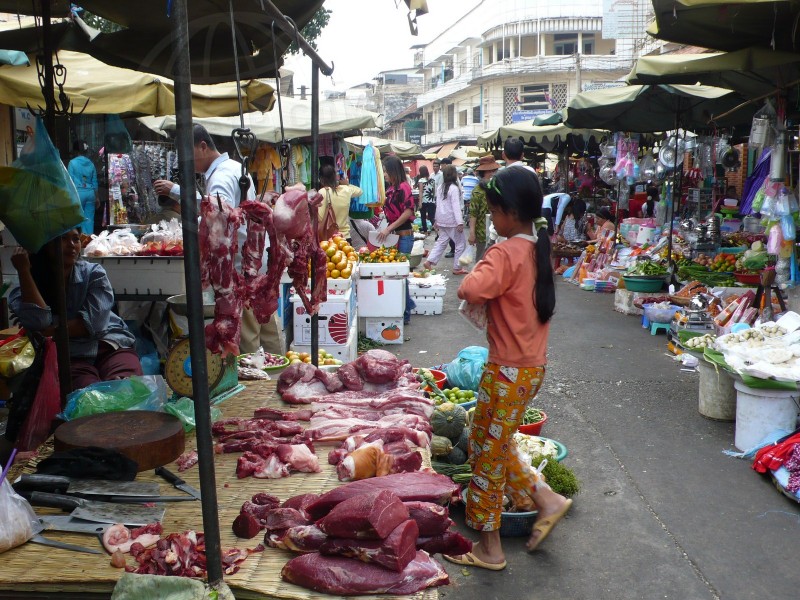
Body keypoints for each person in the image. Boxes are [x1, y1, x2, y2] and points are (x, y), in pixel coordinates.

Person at [445, 167, 572, 571]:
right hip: (529, 369)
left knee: (486, 459)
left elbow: (471, 289)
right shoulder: (537, 248)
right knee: (486, 441)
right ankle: (544, 498)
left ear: (509, 213)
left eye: (494, 211)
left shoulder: (506, 251)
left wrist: (483, 259)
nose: (492, 220)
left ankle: (490, 547)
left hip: (507, 372)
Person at [153, 124, 281, 355]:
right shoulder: (233, 166)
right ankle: (279, 374)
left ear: (202, 147)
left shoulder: (220, 176)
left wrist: (176, 191)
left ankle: (255, 384)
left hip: (242, 265)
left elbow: (217, 212)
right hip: (255, 260)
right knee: (267, 326)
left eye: (187, 155)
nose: (187, 163)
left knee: (248, 334)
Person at [9, 229, 143, 391]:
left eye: (75, 239)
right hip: (71, 356)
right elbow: (40, 321)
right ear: (45, 246)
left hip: (110, 346)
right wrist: (24, 271)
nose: (72, 245)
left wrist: (50, 331)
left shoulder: (93, 273)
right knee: (88, 398)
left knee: (126, 389)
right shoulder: (25, 286)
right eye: (63, 239)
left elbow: (95, 324)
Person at [378, 156, 417, 325]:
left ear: (393, 171)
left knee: (400, 275)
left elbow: (408, 212)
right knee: (398, 274)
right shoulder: (391, 189)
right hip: (394, 236)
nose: (384, 174)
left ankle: (406, 311)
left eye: (386, 171)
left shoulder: (403, 187)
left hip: (405, 236)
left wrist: (388, 227)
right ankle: (407, 306)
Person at [423, 164, 467, 275]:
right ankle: (457, 267)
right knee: (460, 244)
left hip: (442, 219)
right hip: (452, 221)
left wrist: (436, 220)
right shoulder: (454, 188)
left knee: (441, 242)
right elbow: (456, 207)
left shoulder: (440, 187)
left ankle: (429, 261)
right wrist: (460, 222)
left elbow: (438, 205)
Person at [318, 164, 362, 244]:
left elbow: (320, 217)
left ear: (321, 179)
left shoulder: (322, 192)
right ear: (335, 177)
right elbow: (360, 191)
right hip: (345, 238)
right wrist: (347, 184)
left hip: (329, 239)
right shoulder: (346, 189)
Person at [468, 155, 500, 262]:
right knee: (481, 260)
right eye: (489, 171)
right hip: (482, 233)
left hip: (498, 230)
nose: (492, 174)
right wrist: (472, 233)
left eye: (494, 171)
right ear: (483, 173)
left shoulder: (497, 188)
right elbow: (473, 213)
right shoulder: (477, 191)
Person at [67, 140, 99, 235]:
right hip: (90, 194)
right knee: (89, 219)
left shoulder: (72, 163)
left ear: (75, 151)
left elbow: (69, 181)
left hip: (78, 194)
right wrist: (97, 197)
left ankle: (79, 241)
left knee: (77, 218)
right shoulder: (91, 163)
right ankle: (88, 240)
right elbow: (94, 182)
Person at [416, 165, 435, 234]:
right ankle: (437, 230)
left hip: (424, 201)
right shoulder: (432, 180)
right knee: (432, 217)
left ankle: (425, 231)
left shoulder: (421, 180)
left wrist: (420, 202)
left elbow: (421, 191)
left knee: (423, 217)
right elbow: (433, 191)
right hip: (431, 200)